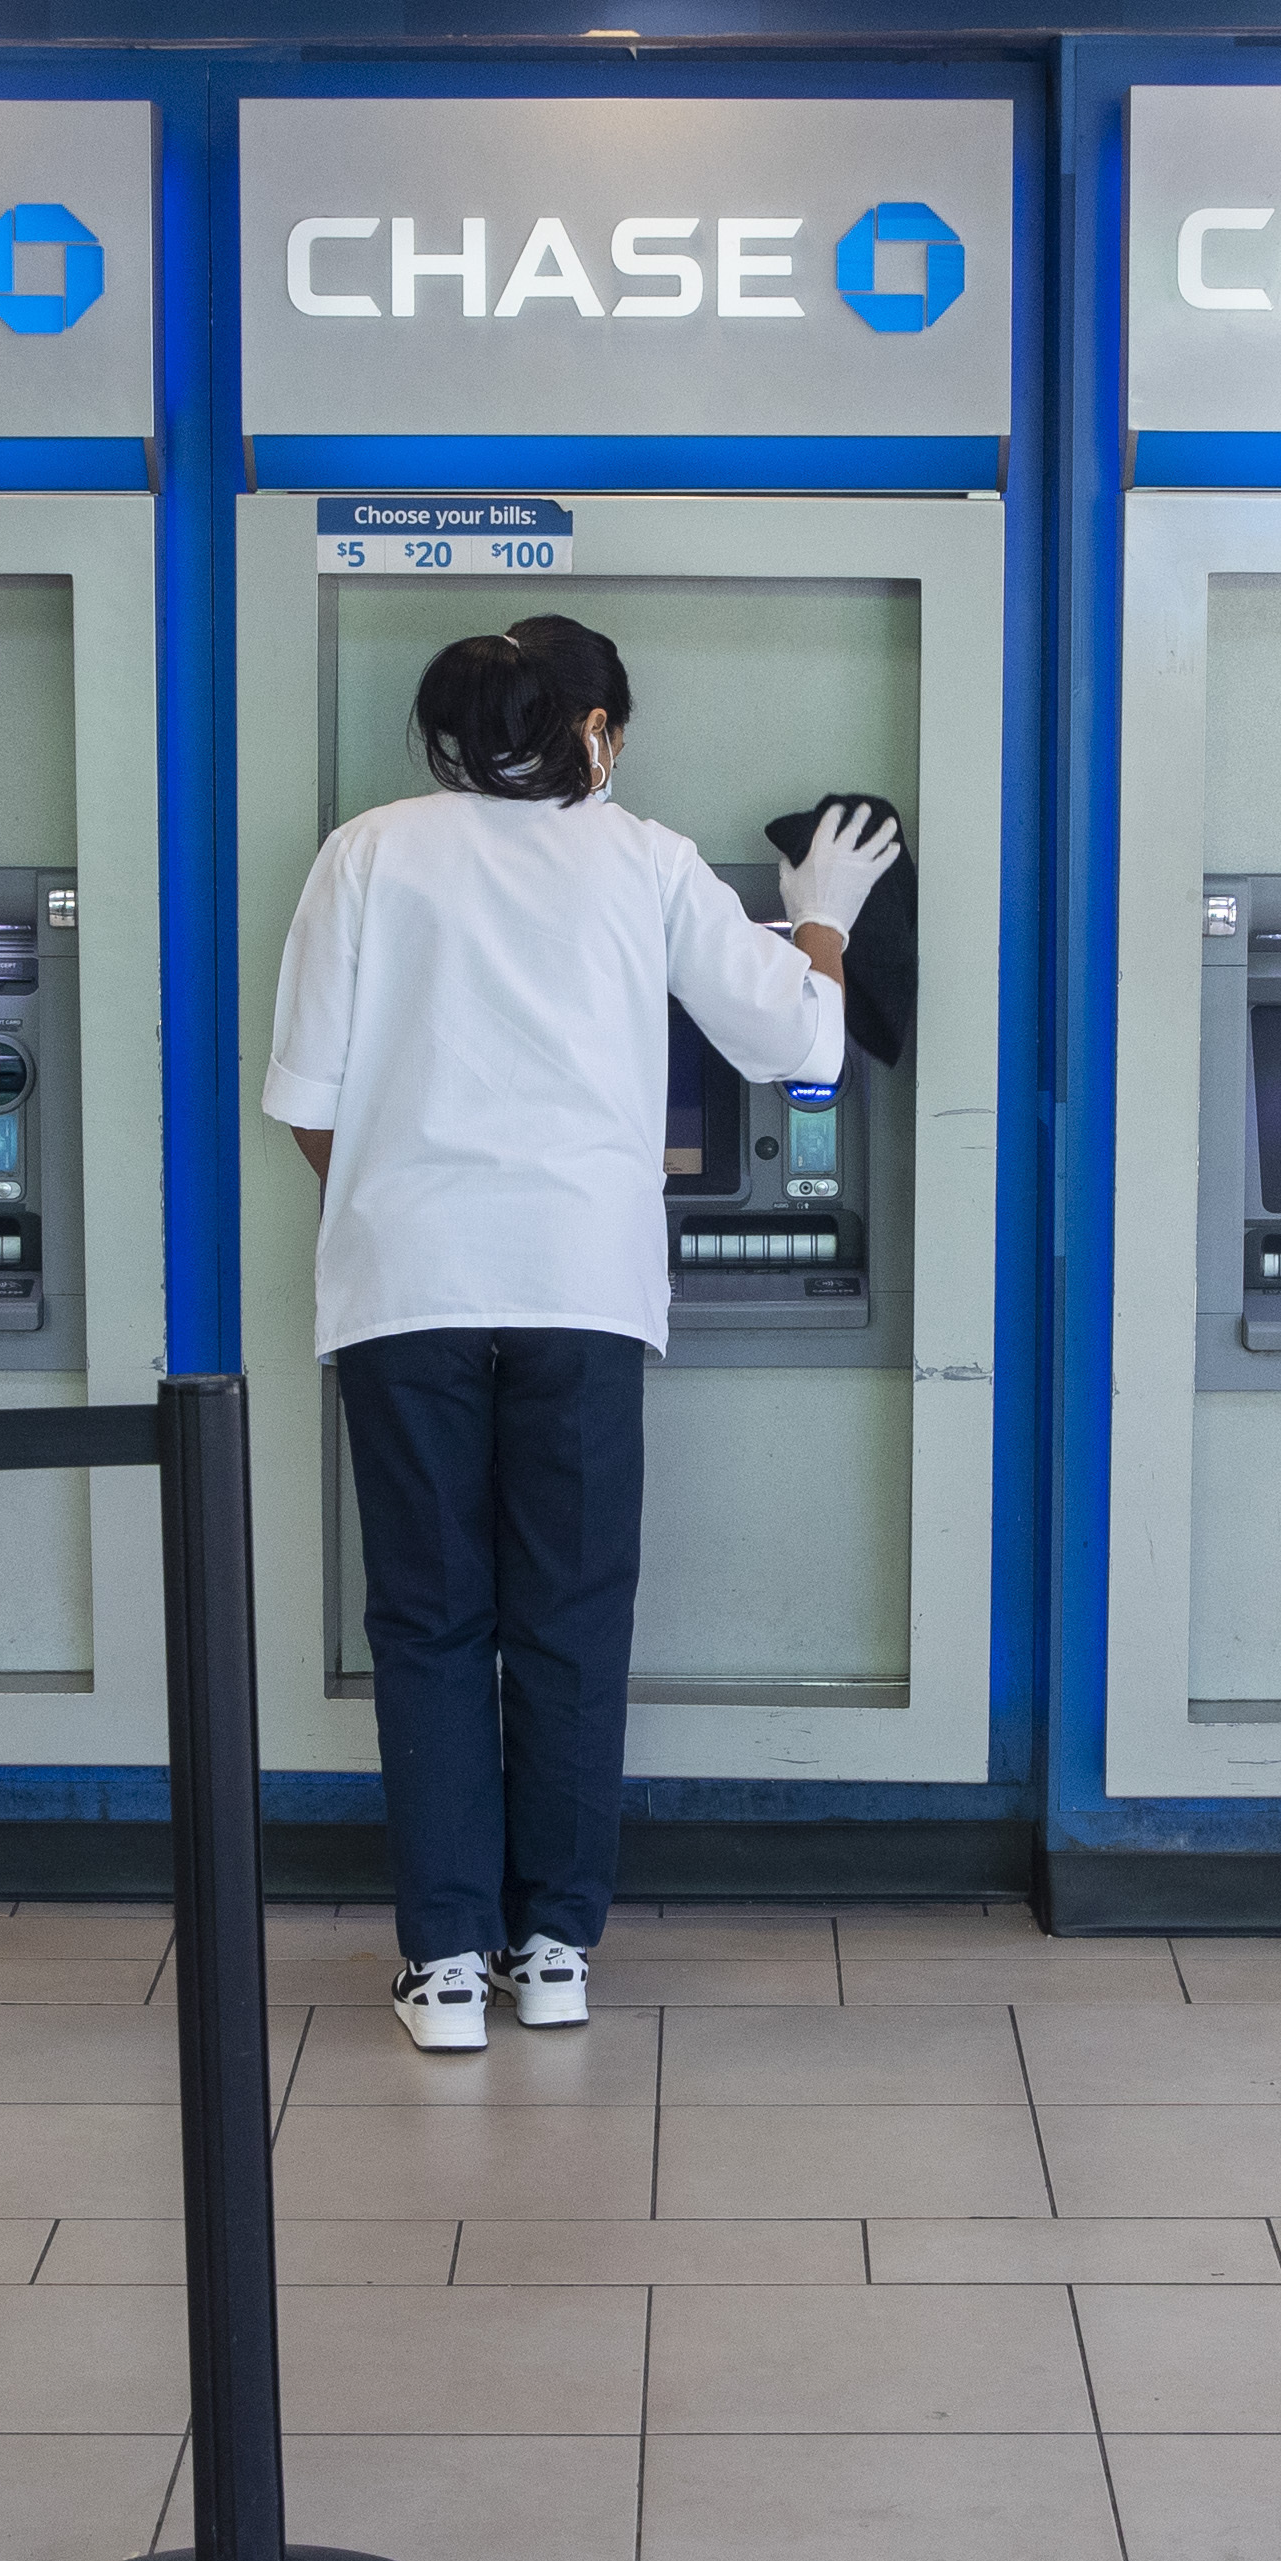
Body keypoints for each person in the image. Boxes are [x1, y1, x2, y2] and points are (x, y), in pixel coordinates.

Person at [263, 615, 902, 2052]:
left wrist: (404, 1207)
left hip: (406, 1291)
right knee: (569, 1615)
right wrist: (823, 916)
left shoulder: (368, 853)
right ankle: (553, 1948)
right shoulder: (647, 861)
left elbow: (307, 1099)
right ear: (599, 729)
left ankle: (442, 1967)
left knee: (428, 1618)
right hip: (584, 1290)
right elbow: (802, 1042)